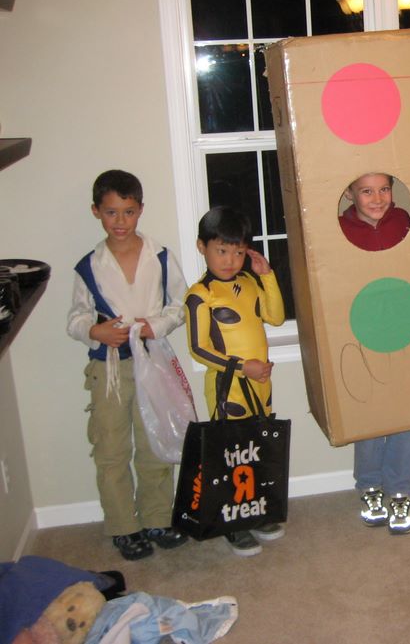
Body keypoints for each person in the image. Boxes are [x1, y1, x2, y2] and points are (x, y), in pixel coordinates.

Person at [67, 170, 190, 561]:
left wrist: (155, 325)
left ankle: (157, 517)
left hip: (152, 359)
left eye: (128, 212)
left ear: (140, 210)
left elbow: (180, 305)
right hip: (109, 369)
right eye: (111, 212)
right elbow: (75, 318)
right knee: (111, 448)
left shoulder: (160, 256)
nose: (120, 221)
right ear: (96, 212)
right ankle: (124, 525)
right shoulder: (88, 266)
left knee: (155, 440)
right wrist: (96, 331)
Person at [184, 206, 286, 556]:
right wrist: (243, 367)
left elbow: (275, 317)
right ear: (202, 247)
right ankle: (232, 522)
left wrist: (267, 276)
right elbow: (199, 349)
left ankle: (253, 512)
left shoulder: (249, 283)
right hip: (229, 387)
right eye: (222, 251)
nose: (230, 260)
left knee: (256, 450)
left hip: (260, 384)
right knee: (231, 454)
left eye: (239, 252)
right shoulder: (200, 295)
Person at [338, 173, 410, 534]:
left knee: (406, 413)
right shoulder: (340, 228)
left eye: (384, 189)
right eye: (367, 191)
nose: (377, 198)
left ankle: (401, 491)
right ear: (349, 193)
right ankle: (370, 486)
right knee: (369, 413)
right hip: (361, 330)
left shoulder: (403, 221)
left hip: (403, 327)